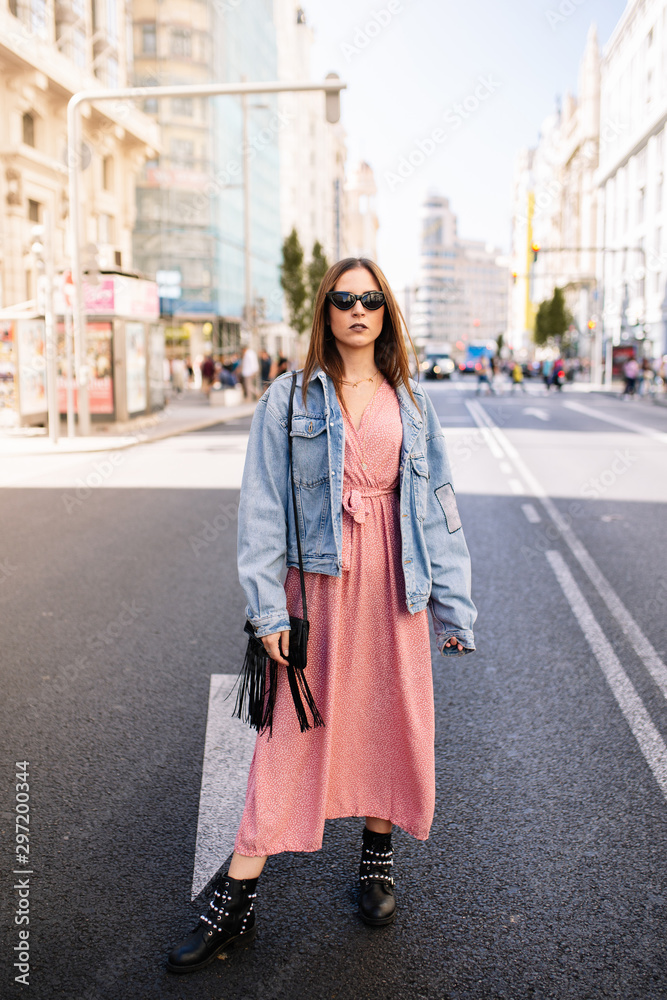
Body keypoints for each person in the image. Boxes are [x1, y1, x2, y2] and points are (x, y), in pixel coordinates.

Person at [166, 257, 477, 974]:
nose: (358, 310)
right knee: (289, 737)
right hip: (319, 593)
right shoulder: (289, 398)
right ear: (327, 312)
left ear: (386, 312)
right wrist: (265, 610)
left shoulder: (413, 403)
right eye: (344, 299)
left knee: (390, 718)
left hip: (394, 589)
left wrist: (454, 608)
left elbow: (438, 509)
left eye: (371, 299)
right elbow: (262, 508)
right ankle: (235, 900)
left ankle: (375, 858)